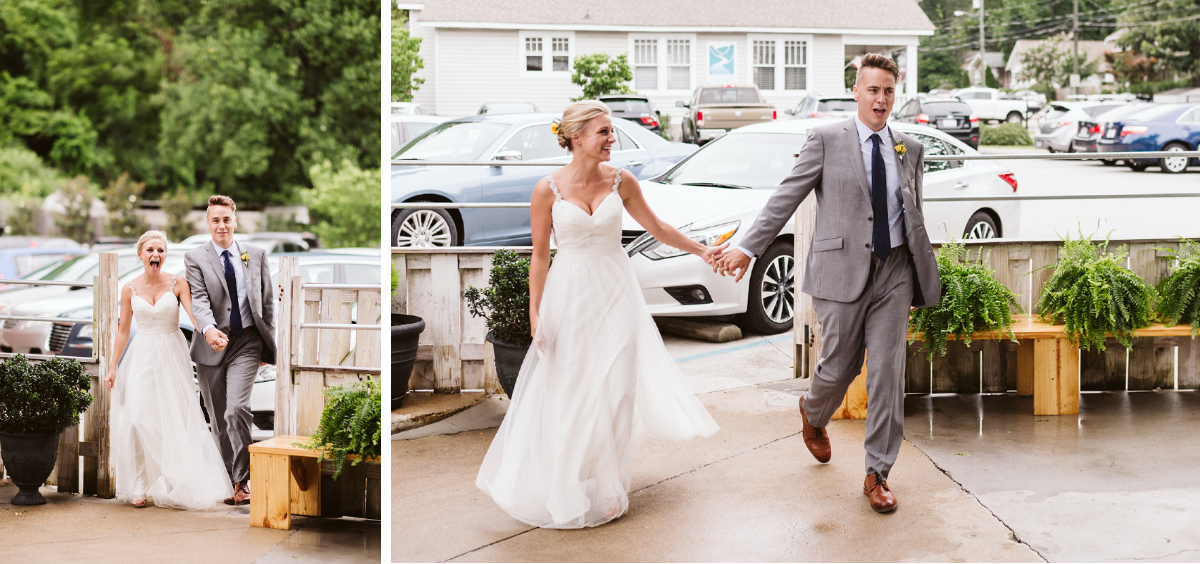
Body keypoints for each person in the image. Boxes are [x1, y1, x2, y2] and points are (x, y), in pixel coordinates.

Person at [476, 100, 723, 529]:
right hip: (569, 294)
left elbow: (658, 228)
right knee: (572, 388)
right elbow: (538, 257)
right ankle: (566, 482)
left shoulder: (621, 180)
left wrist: (703, 250)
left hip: (616, 291)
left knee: (617, 387)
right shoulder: (546, 190)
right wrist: (536, 314)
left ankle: (609, 483)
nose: (613, 139)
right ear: (576, 138)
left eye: (612, 131)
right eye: (604, 132)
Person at [713, 54, 942, 513]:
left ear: (895, 96)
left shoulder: (910, 149)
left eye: (888, 91)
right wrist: (747, 247)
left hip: (895, 271)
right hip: (841, 271)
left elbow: (911, 215)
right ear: (856, 92)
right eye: (872, 90)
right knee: (839, 365)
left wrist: (920, 272)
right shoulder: (825, 139)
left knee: (886, 372)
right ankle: (813, 412)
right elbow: (786, 196)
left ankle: (878, 473)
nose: (880, 99)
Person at [106, 231, 233, 509]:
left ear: (165, 255)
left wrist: (210, 334)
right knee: (138, 418)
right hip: (142, 354)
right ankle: (139, 483)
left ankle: (175, 475)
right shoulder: (129, 288)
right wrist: (113, 366)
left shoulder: (178, 283)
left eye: (161, 250)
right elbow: (123, 330)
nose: (156, 255)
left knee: (172, 417)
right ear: (140, 254)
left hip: (171, 354)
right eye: (150, 250)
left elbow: (195, 316)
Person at [184, 195, 277, 506]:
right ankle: (228, 479)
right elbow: (198, 300)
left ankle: (242, 481)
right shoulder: (195, 257)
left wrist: (267, 342)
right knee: (218, 418)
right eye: (215, 220)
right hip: (212, 346)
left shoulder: (256, 254)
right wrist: (208, 330)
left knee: (235, 409)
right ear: (208, 224)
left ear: (235, 221)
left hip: (247, 342)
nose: (221, 225)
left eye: (226, 219)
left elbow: (266, 303)